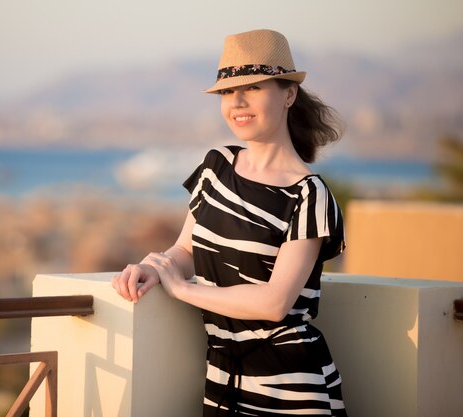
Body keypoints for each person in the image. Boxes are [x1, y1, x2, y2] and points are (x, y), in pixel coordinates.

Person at [112, 29, 347, 416]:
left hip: (289, 386)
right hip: (223, 376)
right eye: (226, 91)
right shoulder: (215, 166)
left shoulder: (309, 194)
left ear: (289, 94)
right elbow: (186, 248)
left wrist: (181, 290)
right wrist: (153, 267)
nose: (236, 101)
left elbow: (275, 303)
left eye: (252, 87)